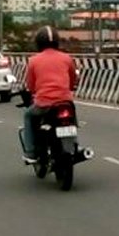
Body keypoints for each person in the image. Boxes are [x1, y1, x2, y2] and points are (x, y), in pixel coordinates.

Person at [22, 26, 78, 163]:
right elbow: (73, 80)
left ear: (38, 43)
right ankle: (75, 145)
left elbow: (30, 85)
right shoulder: (67, 58)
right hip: (65, 101)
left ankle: (31, 152)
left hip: (44, 104)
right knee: (72, 119)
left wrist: (35, 92)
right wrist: (69, 88)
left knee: (28, 116)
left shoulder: (33, 61)